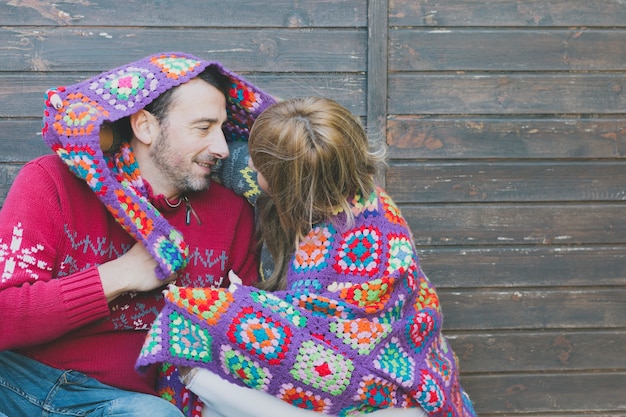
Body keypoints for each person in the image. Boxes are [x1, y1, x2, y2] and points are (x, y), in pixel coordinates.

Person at [136, 97, 478, 417]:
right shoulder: (341, 184)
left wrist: (240, 302)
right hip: (398, 378)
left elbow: (318, 335)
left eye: (259, 166)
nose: (247, 162)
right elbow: (227, 162)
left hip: (385, 390)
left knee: (188, 339)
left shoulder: (348, 239)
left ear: (284, 185)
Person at [0, 52, 275, 417]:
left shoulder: (232, 214)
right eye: (203, 127)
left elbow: (249, 339)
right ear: (145, 126)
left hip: (123, 405)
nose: (222, 148)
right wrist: (121, 274)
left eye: (223, 129)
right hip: (18, 383)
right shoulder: (52, 181)